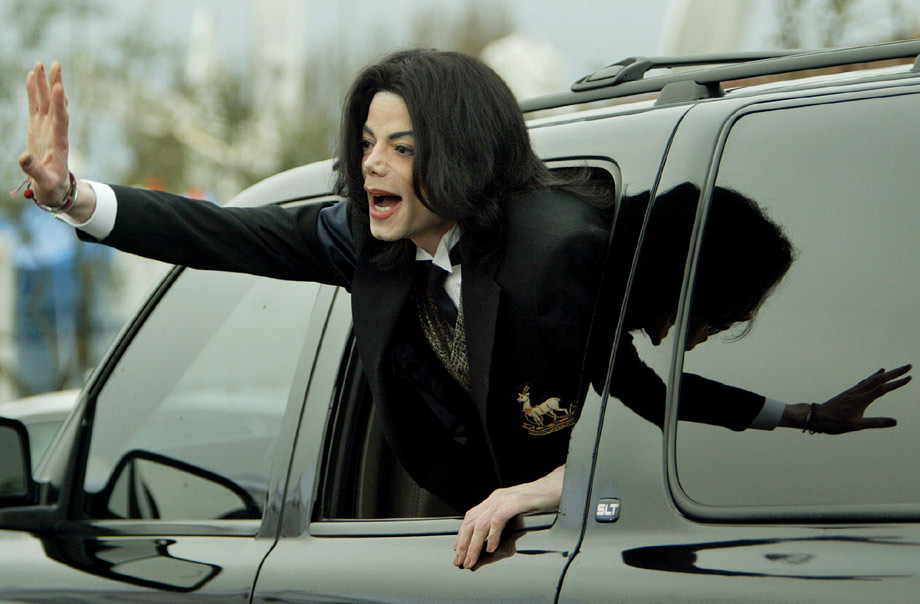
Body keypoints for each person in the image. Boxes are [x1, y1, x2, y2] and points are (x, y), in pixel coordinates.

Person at [17, 53, 611, 570]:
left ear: (464, 154)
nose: (371, 164)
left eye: (402, 148)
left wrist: (539, 491)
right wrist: (70, 197)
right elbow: (223, 233)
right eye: (367, 144)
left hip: (590, 538)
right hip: (478, 554)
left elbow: (651, 425)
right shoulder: (368, 241)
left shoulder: (559, 253)